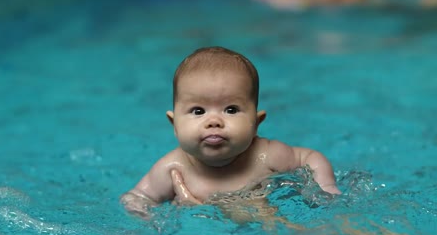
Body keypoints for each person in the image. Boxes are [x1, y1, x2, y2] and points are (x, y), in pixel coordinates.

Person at [120, 46, 340, 220]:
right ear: (174, 124)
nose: (214, 121)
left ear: (256, 123)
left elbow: (310, 158)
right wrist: (146, 215)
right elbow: (137, 197)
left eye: (231, 110)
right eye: (198, 111)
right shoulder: (173, 169)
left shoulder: (267, 156)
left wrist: (325, 190)